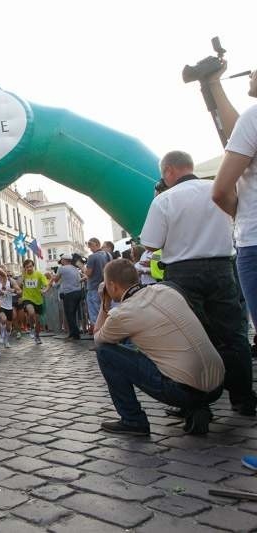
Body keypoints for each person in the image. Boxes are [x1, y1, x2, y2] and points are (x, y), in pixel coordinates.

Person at [141, 150, 256, 416]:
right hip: (222, 268)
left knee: (189, 337)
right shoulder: (220, 188)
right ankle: (243, 398)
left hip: (183, 273)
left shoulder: (165, 199)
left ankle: (194, 401)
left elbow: (151, 243)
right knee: (233, 334)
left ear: (169, 171)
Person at [94, 259, 224, 435]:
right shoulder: (168, 289)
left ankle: (133, 420)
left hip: (182, 391)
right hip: (217, 386)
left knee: (105, 352)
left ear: (112, 285)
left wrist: (104, 303)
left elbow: (98, 339)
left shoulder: (122, 314)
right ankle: (197, 406)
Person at [210, 69, 257, 348]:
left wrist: (240, 215)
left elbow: (219, 191)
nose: (251, 73)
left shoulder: (253, 118)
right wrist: (214, 84)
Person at [51, 253, 84, 340]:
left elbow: (56, 279)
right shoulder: (74, 268)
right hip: (78, 292)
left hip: (69, 294)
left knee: (70, 315)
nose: (61, 261)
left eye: (62, 259)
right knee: (73, 314)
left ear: (64, 260)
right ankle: (73, 334)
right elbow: (79, 279)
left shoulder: (62, 268)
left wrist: (52, 276)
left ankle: (75, 334)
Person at [83, 237, 111, 333]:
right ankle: (107, 336)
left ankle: (99, 339)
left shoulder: (92, 257)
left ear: (96, 244)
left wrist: (82, 267)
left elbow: (88, 273)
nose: (90, 248)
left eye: (90, 246)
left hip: (94, 288)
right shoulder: (108, 255)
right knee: (105, 312)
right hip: (106, 286)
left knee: (96, 315)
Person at [20, 259, 49, 344]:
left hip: (38, 300)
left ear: (33, 266)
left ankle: (37, 336)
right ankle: (31, 328)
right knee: (31, 312)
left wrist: (44, 290)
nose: (29, 268)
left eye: (30, 266)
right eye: (27, 267)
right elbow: (18, 285)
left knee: (38, 320)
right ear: (24, 268)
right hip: (27, 298)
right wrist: (22, 276)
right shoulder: (24, 275)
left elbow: (46, 285)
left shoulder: (39, 274)